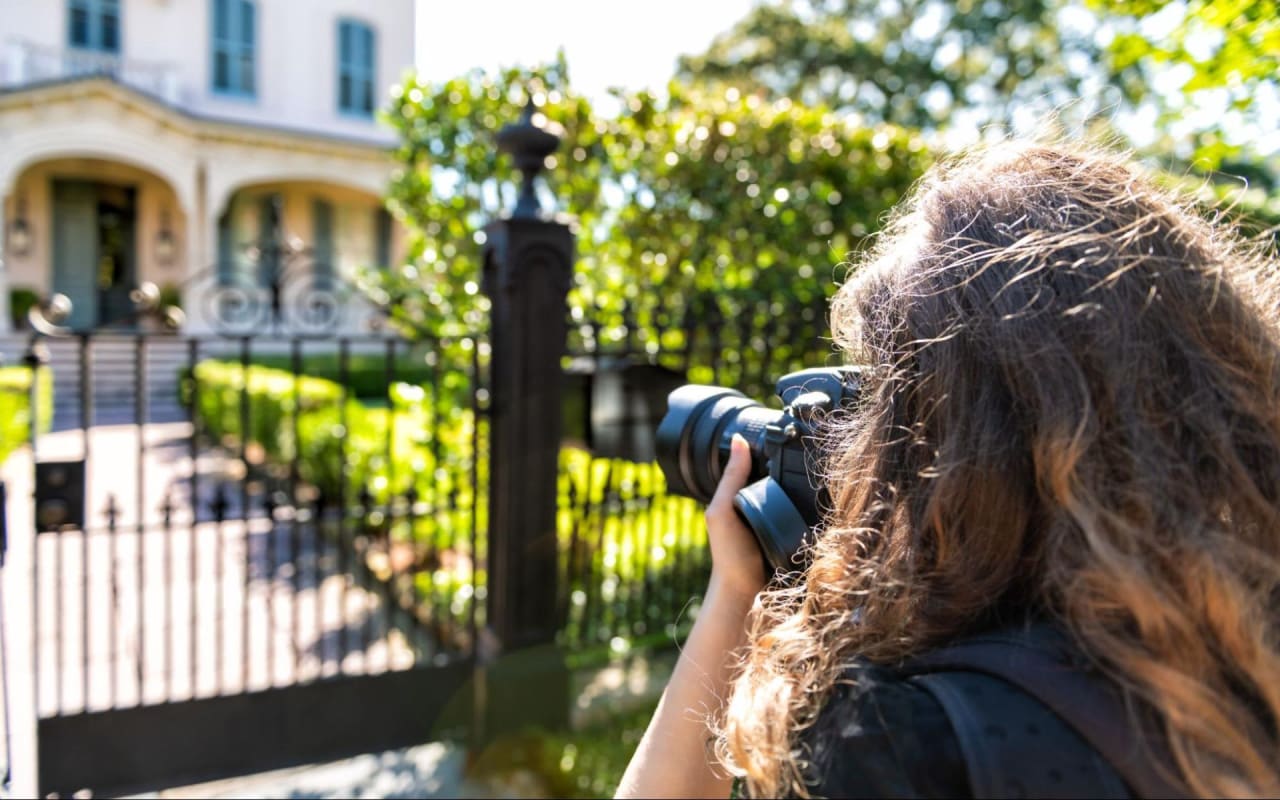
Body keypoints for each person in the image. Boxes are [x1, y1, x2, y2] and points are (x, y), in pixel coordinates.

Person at [616, 140, 1280, 799]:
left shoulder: (905, 742)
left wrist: (737, 592)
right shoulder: (1241, 651)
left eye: (888, 403)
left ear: (943, 446)